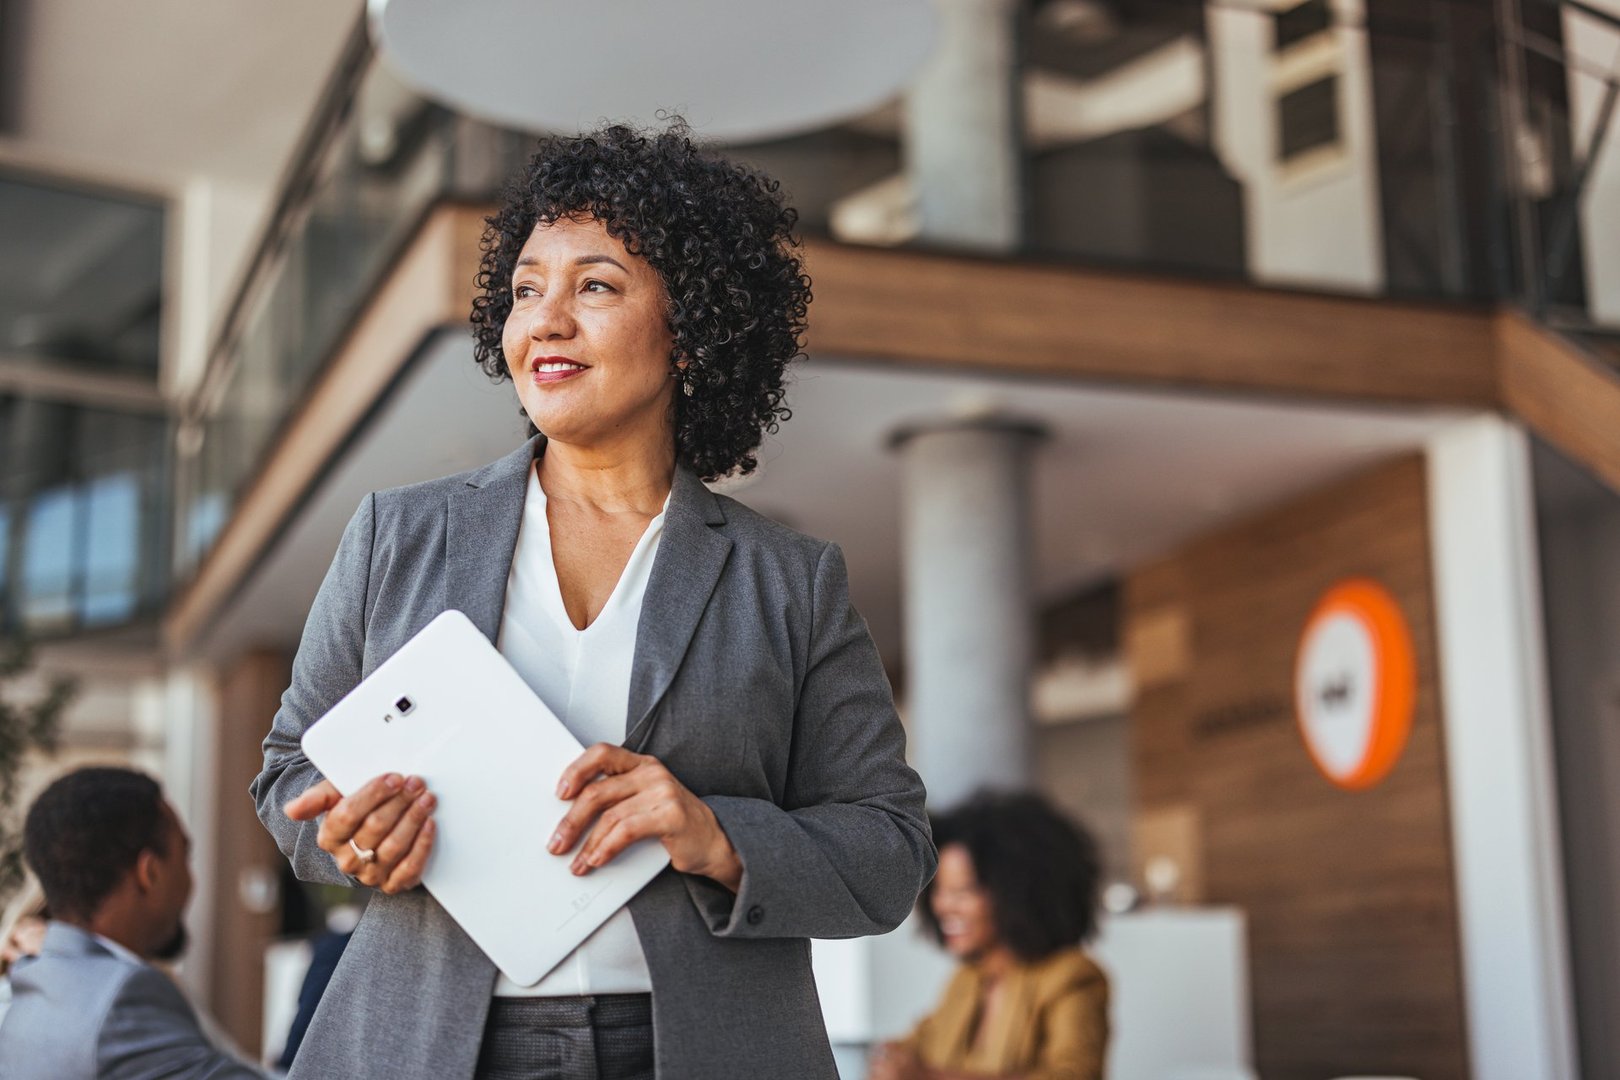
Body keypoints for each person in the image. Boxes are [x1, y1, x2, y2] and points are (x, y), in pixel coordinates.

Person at [251, 120, 935, 1080]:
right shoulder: (395, 535)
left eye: (596, 286)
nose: (546, 321)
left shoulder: (789, 578)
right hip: (430, 1047)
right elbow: (288, 773)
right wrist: (344, 837)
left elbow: (889, 850)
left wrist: (715, 832)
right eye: (528, 288)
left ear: (691, 329)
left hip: (698, 1047)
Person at [0, 766, 264, 1079]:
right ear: (149, 873)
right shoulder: (120, 996)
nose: (191, 880)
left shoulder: (31, 981)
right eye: (184, 855)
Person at [870, 792, 1110, 1080]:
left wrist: (929, 1076)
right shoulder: (967, 980)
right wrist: (891, 1059)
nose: (943, 905)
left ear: (1016, 894)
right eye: (940, 890)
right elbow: (915, 1048)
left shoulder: (1072, 976)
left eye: (963, 891)